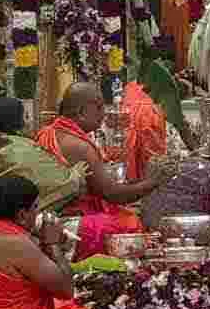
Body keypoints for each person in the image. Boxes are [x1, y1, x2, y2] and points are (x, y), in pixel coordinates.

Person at [35, 83, 167, 261]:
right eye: (98, 107)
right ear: (82, 112)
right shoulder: (79, 146)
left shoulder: (46, 133)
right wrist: (152, 182)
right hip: (65, 223)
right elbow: (113, 194)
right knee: (129, 222)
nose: (103, 114)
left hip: (47, 217)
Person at [0, 175, 93, 309]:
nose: (38, 213)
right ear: (21, 215)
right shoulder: (16, 244)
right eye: (35, 207)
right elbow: (66, 290)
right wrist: (52, 243)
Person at [0, 97, 87, 213]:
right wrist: (76, 177)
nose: (29, 122)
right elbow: (58, 184)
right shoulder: (19, 151)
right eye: (25, 117)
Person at [118, 81, 167, 183]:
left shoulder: (130, 86)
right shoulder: (161, 83)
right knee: (152, 167)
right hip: (146, 119)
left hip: (136, 119)